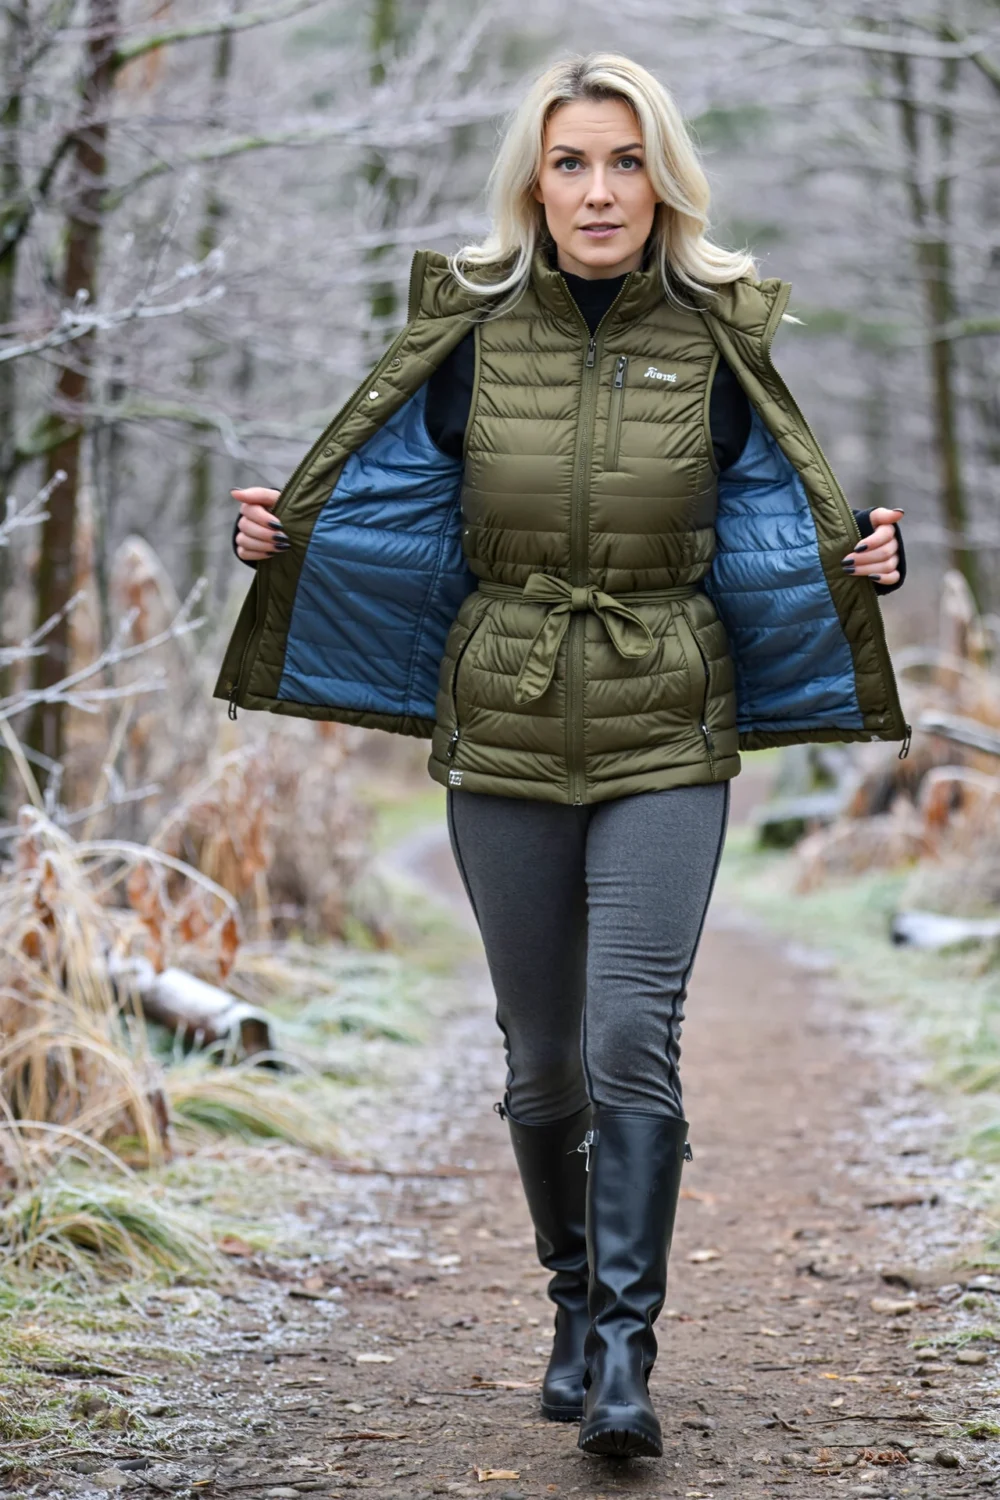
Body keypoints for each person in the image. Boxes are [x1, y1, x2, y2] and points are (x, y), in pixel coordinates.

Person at [219, 53, 908, 1460]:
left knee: (626, 1041)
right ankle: (569, 1293)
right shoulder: (466, 333)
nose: (600, 191)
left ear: (665, 180)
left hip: (669, 716)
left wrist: (870, 563)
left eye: (625, 161)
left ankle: (621, 1355)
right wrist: (280, 539)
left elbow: (786, 522)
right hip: (508, 712)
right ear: (534, 183)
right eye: (572, 163)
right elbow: (388, 505)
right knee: (543, 1065)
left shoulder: (720, 336)